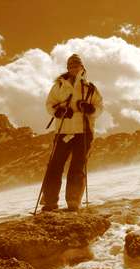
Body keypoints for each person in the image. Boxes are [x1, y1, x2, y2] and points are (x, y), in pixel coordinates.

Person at [40, 53, 103, 212]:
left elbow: (99, 107)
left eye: (77, 65)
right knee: (55, 166)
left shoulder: (90, 88)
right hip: (64, 131)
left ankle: (73, 202)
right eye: (71, 66)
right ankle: (49, 202)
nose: (74, 68)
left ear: (82, 67)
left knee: (77, 166)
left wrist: (91, 109)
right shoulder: (59, 86)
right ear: (68, 68)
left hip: (83, 131)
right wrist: (58, 111)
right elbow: (49, 105)